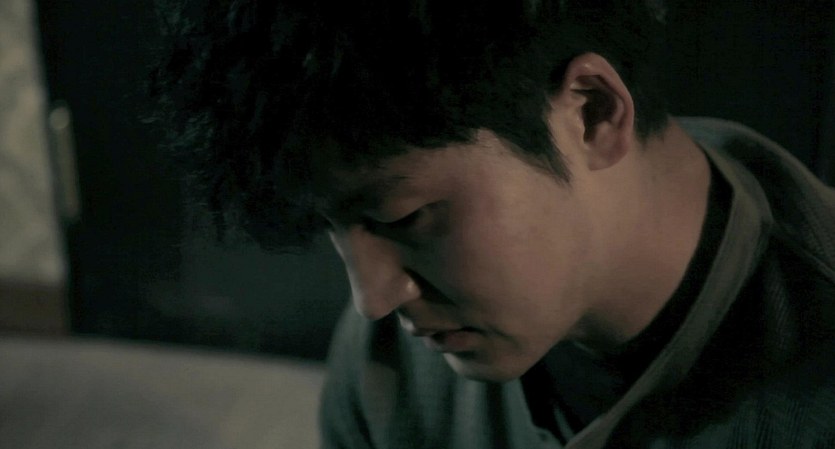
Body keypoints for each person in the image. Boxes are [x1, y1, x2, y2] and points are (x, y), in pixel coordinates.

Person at [151, 1, 835, 447]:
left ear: (592, 113)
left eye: (404, 215)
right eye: (335, 228)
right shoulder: (388, 365)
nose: (373, 298)